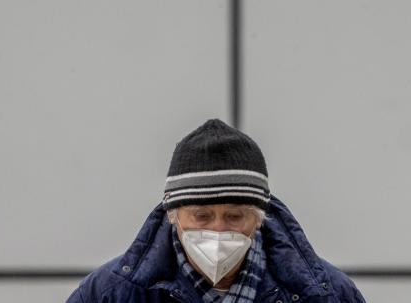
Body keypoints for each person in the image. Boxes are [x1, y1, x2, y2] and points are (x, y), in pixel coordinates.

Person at [66, 119, 366, 303]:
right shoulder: (112, 294)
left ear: (259, 219)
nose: (218, 230)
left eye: (235, 216)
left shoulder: (327, 295)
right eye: (201, 215)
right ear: (174, 216)